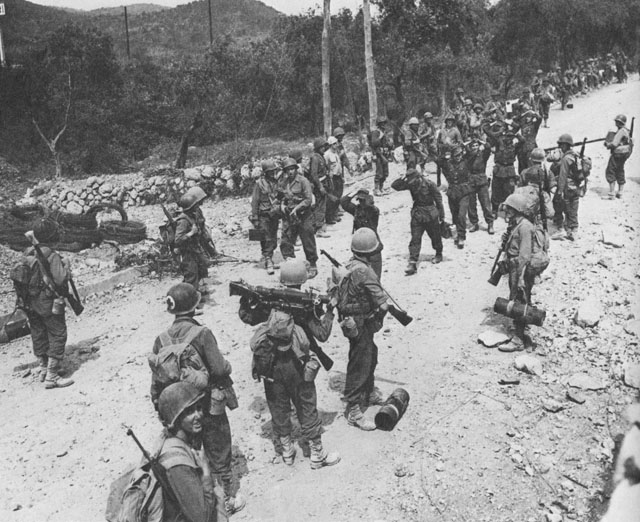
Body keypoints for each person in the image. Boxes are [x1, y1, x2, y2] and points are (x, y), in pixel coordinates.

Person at [151, 283, 244, 515]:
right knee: (219, 445)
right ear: (194, 305)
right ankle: (226, 497)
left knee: (191, 448)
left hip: (179, 407)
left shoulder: (161, 340)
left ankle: (197, 495)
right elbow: (219, 369)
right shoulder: (202, 333)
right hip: (206, 401)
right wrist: (228, 365)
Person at [249, 259, 341, 469]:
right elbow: (322, 334)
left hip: (271, 364)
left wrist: (249, 299)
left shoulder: (271, 301)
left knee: (277, 404)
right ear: (302, 280)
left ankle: (287, 451)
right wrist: (329, 311)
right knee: (306, 404)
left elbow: (247, 316)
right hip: (297, 365)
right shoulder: (305, 304)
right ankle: (317, 454)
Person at [336, 228, 389, 431]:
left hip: (351, 322)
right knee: (360, 362)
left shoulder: (349, 266)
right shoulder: (365, 271)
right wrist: (378, 319)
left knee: (370, 355)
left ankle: (368, 393)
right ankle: (353, 410)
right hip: (362, 322)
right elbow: (383, 305)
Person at [157, 381, 228, 522]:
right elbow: (202, 518)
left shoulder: (173, 440)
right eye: (189, 412)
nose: (198, 415)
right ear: (175, 419)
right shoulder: (177, 463)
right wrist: (206, 473)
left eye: (199, 408)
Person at [19, 219, 74, 388]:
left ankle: (43, 369)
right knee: (58, 333)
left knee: (38, 333)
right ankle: (52, 376)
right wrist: (67, 268)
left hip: (29, 302)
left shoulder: (27, 253)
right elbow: (59, 278)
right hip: (47, 302)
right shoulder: (51, 255)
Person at [502, 193, 547, 348]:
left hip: (520, 268)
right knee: (520, 298)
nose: (506, 210)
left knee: (519, 299)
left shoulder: (525, 227)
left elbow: (525, 254)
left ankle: (518, 339)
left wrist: (520, 276)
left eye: (510, 208)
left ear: (517, 210)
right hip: (514, 265)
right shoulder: (516, 224)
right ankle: (521, 327)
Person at [391, 168, 444, 275]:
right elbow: (395, 186)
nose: (411, 182)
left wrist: (441, 216)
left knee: (435, 236)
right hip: (417, 214)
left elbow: (438, 200)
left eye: (412, 179)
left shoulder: (429, 184)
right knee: (415, 238)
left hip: (430, 214)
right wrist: (403, 178)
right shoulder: (411, 183)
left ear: (418, 177)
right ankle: (412, 262)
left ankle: (438, 253)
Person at [279, 157, 319, 278]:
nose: (290, 172)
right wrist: (282, 206)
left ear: (296, 169)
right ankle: (292, 265)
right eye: (288, 170)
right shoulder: (283, 183)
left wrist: (297, 208)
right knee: (286, 241)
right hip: (289, 215)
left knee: (307, 238)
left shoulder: (303, 181)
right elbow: (280, 197)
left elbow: (308, 199)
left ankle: (312, 264)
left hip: (303, 215)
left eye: (292, 169)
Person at [175, 186, 214, 303]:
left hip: (195, 250)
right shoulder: (183, 221)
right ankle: (189, 304)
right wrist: (191, 233)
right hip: (187, 254)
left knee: (201, 269)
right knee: (191, 278)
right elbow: (178, 240)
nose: (198, 206)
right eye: (195, 205)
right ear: (190, 207)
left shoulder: (192, 216)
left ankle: (197, 293)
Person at [483, 119, 524, 217]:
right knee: (496, 191)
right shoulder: (499, 142)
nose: (508, 139)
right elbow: (487, 130)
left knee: (509, 192)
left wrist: (515, 131)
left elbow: (523, 140)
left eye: (511, 137)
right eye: (507, 136)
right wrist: (500, 130)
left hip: (509, 171)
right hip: (499, 169)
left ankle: (507, 212)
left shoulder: (515, 146)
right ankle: (495, 210)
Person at [340, 188, 383, 279]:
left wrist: (368, 197)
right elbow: (343, 202)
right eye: (359, 200)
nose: (361, 203)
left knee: (375, 275)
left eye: (363, 200)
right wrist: (354, 192)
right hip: (360, 245)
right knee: (360, 273)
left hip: (372, 243)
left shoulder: (374, 211)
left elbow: (371, 205)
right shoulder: (356, 210)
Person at [250, 159, 281, 275]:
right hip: (263, 214)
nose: (272, 173)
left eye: (274, 171)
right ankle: (268, 260)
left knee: (273, 237)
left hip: (274, 214)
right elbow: (255, 201)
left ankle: (269, 257)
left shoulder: (276, 182)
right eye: (270, 171)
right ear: (265, 172)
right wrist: (255, 218)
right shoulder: (259, 184)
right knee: (266, 238)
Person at [550, 133, 582, 241]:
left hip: (567, 187)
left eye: (561, 145)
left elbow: (563, 176)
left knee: (566, 207)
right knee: (574, 209)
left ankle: (566, 231)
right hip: (576, 187)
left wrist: (559, 191)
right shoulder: (576, 155)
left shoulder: (565, 159)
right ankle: (575, 229)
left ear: (564, 146)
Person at [439, 146, 473, 249]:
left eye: (460, 155)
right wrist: (445, 155)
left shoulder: (466, 162)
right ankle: (456, 234)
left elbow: (471, 153)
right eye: (456, 155)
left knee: (462, 215)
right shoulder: (448, 164)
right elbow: (438, 160)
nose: (458, 157)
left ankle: (462, 236)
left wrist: (465, 145)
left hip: (464, 191)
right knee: (455, 214)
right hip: (452, 192)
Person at [516, 148, 555, 229]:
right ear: (543, 160)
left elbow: (520, 189)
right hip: (542, 207)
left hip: (527, 206)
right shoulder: (548, 173)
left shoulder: (524, 172)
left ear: (531, 159)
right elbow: (553, 188)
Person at [466, 139, 494, 234]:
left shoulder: (483, 155)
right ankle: (474, 223)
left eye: (476, 145)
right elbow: (460, 148)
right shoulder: (467, 155)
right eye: (473, 146)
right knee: (471, 204)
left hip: (481, 180)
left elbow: (488, 147)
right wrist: (465, 144)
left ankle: (490, 223)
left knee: (486, 203)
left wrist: (481, 141)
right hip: (470, 181)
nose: (474, 147)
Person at [604, 114, 632, 199]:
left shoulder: (621, 131)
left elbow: (614, 144)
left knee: (610, 170)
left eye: (616, 121)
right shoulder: (626, 130)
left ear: (619, 122)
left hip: (617, 153)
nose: (615, 123)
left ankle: (612, 193)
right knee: (620, 170)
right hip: (624, 154)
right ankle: (620, 192)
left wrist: (607, 145)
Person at [308, 137, 329, 237]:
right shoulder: (315, 158)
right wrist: (320, 186)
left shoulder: (320, 156)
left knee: (321, 205)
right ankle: (319, 228)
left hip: (323, 182)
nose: (323, 149)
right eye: (321, 147)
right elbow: (314, 174)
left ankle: (319, 225)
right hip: (318, 185)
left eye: (324, 147)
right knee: (320, 206)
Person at [369, 116, 393, 196]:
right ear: (379, 124)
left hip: (385, 154)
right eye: (381, 123)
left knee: (385, 173)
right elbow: (374, 143)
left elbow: (388, 144)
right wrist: (380, 137)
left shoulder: (385, 132)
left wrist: (390, 144)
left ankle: (381, 188)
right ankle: (376, 189)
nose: (383, 125)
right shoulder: (376, 132)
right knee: (379, 173)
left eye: (384, 123)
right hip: (379, 154)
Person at [515, 108, 542, 173]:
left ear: (532, 118)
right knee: (522, 167)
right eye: (526, 117)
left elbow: (540, 118)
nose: (527, 118)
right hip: (522, 148)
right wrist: (523, 114)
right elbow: (517, 119)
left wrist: (533, 112)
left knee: (531, 166)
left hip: (531, 148)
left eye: (529, 117)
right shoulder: (523, 124)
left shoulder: (534, 125)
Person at [324, 136, 342, 224]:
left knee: (338, 195)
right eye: (334, 144)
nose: (336, 145)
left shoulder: (336, 153)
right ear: (330, 145)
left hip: (338, 176)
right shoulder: (327, 154)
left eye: (336, 143)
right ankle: (330, 216)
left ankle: (335, 213)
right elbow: (325, 166)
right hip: (332, 177)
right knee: (332, 197)